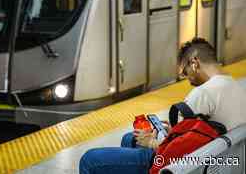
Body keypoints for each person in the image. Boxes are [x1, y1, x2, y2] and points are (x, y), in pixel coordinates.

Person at [79, 38, 246, 174]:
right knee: (130, 137)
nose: (186, 77)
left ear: (195, 63)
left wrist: (152, 143)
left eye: (185, 71)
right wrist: (171, 130)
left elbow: (176, 149)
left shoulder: (204, 93)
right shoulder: (235, 86)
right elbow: (193, 133)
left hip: (181, 166)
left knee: (89, 159)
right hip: (216, 160)